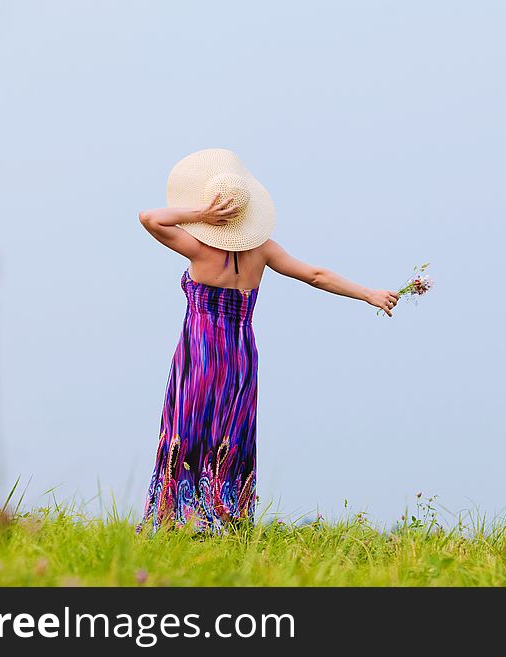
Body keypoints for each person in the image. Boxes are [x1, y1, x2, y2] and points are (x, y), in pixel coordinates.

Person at [135, 148, 400, 536]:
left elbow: (150, 218)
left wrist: (199, 216)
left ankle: (180, 519)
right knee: (231, 432)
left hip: (201, 350)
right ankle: (226, 519)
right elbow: (316, 274)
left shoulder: (197, 247)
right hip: (241, 352)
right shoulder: (263, 250)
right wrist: (368, 293)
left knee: (188, 428)